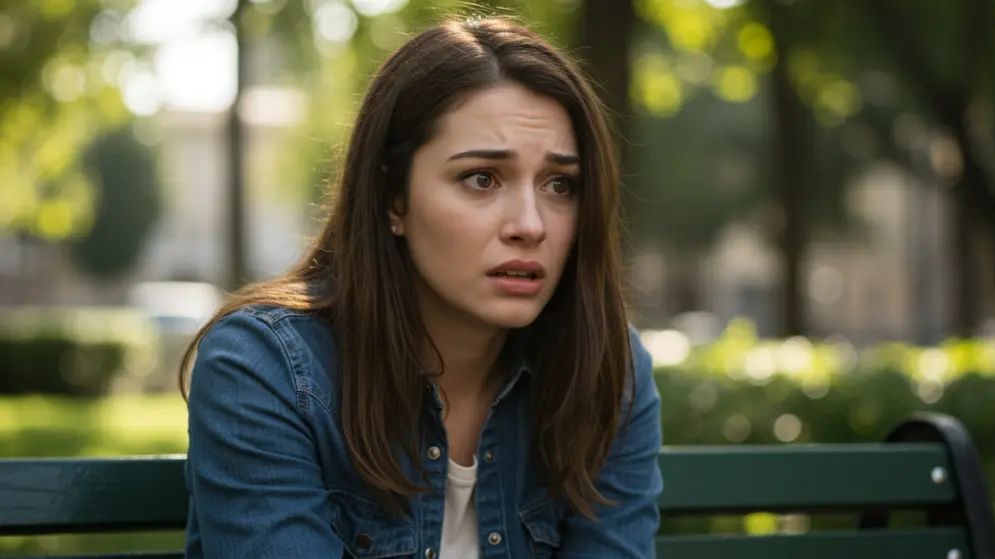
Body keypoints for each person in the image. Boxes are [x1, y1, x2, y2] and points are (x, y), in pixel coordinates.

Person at [179, 15, 663, 559]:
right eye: (482, 178)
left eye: (560, 184)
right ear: (394, 199)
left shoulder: (606, 374)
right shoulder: (268, 370)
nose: (531, 224)